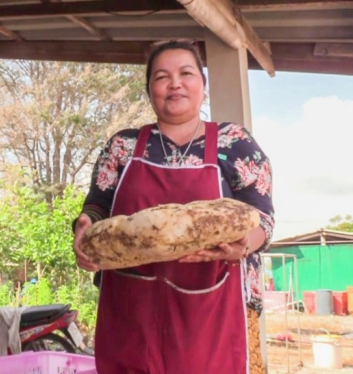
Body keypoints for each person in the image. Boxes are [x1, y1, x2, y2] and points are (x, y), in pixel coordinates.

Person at [72, 40, 274, 374]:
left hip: (213, 317)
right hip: (131, 313)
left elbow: (262, 216)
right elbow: (97, 206)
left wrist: (244, 243)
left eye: (186, 73)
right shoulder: (122, 146)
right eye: (162, 76)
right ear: (150, 90)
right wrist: (84, 225)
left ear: (203, 87)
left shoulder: (234, 142)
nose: (175, 83)